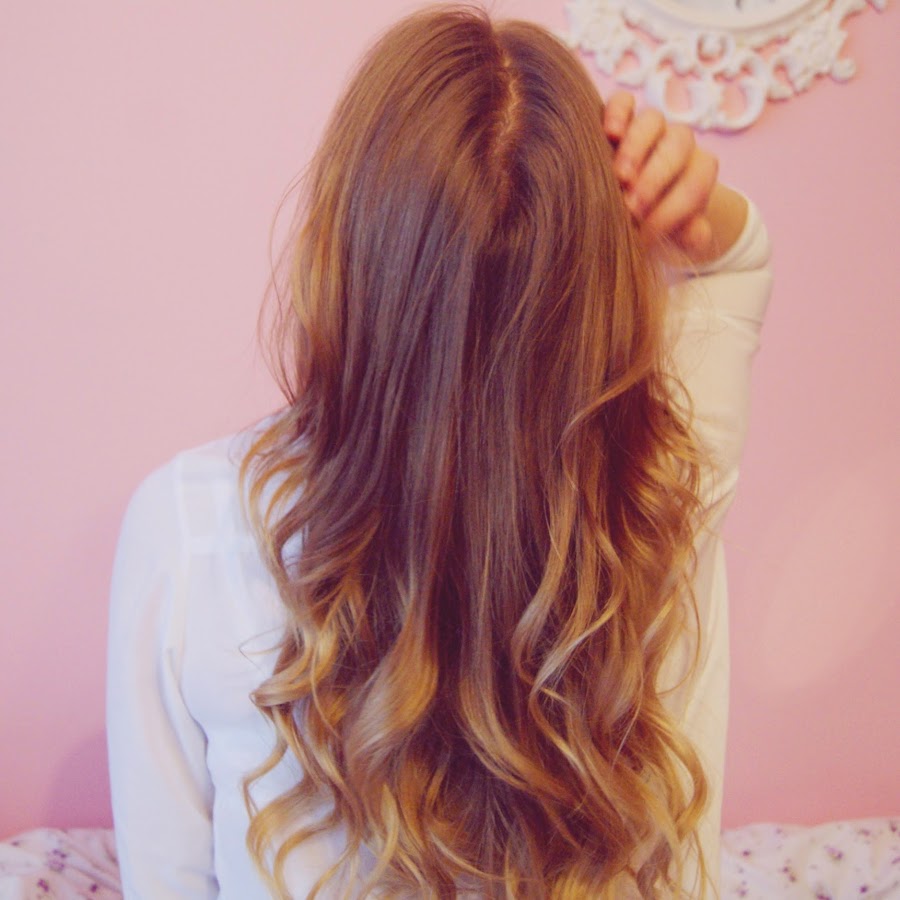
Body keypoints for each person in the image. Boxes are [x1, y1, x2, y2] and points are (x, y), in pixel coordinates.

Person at [107, 5, 772, 898]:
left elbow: (169, 879)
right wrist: (692, 200)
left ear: (339, 255)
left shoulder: (188, 525)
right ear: (603, 290)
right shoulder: (659, 505)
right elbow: (739, 268)